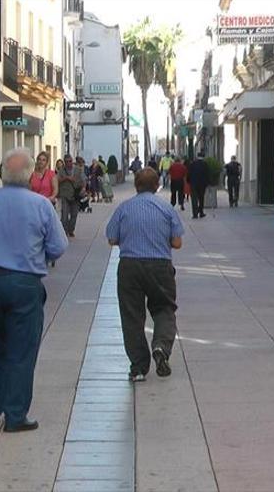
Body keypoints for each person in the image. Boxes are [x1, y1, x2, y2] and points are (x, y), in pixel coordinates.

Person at [0, 147, 68, 432]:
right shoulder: (41, 205)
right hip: (24, 283)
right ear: (29, 175)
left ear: (2, 174)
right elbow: (58, 247)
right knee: (22, 350)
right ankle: (15, 414)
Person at [106, 168, 184, 381]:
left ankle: (139, 367)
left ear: (136, 185)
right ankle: (160, 346)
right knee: (164, 308)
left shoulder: (124, 208)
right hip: (160, 266)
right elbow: (177, 242)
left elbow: (111, 238)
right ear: (157, 184)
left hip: (130, 267)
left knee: (132, 315)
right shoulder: (166, 209)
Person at [57, 155, 85, 237]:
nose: (68, 163)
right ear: (64, 162)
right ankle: (64, 231)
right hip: (65, 195)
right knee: (64, 215)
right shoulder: (61, 170)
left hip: (75, 195)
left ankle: (71, 230)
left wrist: (83, 188)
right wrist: (65, 178)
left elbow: (84, 180)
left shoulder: (78, 169)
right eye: (66, 161)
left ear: (72, 161)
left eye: (70, 161)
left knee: (74, 215)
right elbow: (57, 180)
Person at [188, 152, 209, 219]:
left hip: (194, 184)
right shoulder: (205, 164)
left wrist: (189, 181)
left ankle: (195, 214)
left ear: (197, 156)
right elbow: (207, 174)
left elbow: (189, 173)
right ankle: (201, 212)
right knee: (201, 198)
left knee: (194, 199)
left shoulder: (193, 164)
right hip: (202, 184)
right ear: (203, 157)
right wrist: (207, 183)